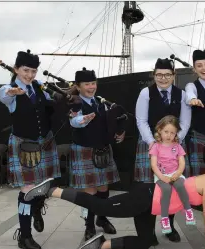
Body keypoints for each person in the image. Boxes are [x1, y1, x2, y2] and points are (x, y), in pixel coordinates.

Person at [23, 165, 205, 249]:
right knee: (102, 206)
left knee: (146, 242)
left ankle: (101, 244)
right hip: (147, 197)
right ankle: (51, 190)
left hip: (150, 208)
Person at [0, 50, 62, 249]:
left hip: (46, 143)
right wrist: (11, 92)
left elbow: (51, 104)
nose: (30, 75)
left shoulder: (39, 87)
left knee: (43, 187)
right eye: (26, 70)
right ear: (16, 69)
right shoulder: (9, 89)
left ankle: (36, 208)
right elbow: (3, 95)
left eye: (33, 71)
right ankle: (25, 236)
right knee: (27, 190)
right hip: (24, 145)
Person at [134, 58, 191, 242]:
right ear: (154, 75)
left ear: (173, 76)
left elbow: (184, 121)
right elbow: (141, 120)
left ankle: (169, 227)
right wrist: (152, 142)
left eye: (167, 75)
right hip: (149, 144)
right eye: (159, 75)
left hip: (172, 146)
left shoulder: (181, 94)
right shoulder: (146, 93)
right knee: (148, 188)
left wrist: (175, 140)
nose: (163, 78)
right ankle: (148, 232)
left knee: (172, 185)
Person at [68, 68, 124, 241]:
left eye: (93, 83)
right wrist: (82, 120)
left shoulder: (101, 102)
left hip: (103, 149)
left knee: (104, 189)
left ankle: (102, 217)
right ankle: (89, 225)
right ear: (78, 86)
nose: (91, 87)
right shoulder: (74, 103)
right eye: (87, 84)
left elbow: (112, 121)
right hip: (84, 150)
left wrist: (119, 132)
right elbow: (74, 121)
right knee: (89, 192)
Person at [150, 115, 195, 234]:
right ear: (159, 130)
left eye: (172, 133)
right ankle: (164, 218)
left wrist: (178, 174)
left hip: (175, 173)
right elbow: (154, 165)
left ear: (176, 134)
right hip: (161, 175)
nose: (169, 135)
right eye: (166, 132)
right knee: (166, 189)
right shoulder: (156, 146)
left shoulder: (177, 146)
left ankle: (188, 210)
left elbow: (182, 163)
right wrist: (162, 177)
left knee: (180, 185)